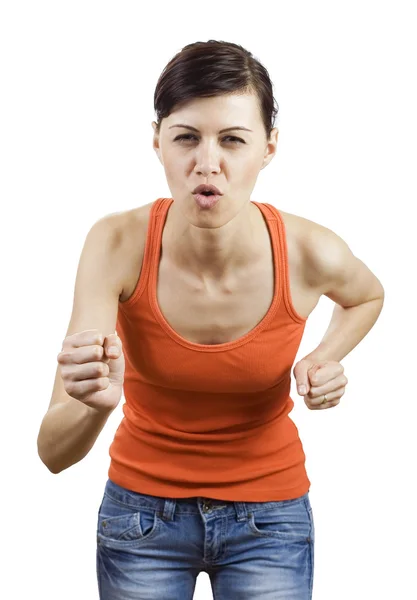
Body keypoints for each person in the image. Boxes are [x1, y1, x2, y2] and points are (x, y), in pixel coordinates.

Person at [37, 40, 384, 600]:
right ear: (157, 141)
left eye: (232, 140)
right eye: (185, 137)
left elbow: (368, 296)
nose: (207, 163)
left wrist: (326, 354)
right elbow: (53, 453)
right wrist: (95, 406)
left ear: (268, 148)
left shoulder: (309, 251)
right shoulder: (116, 244)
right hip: (139, 518)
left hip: (269, 518)